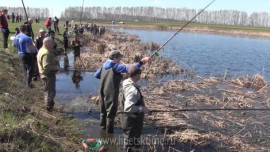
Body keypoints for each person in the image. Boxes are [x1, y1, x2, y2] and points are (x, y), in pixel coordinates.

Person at [94, 50, 151, 134]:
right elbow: (130, 68)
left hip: (102, 90)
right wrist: (142, 61)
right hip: (111, 92)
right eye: (119, 58)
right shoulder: (115, 66)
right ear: (115, 58)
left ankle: (102, 130)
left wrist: (106, 79)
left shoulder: (104, 65)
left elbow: (96, 75)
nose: (120, 60)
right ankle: (109, 134)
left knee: (103, 111)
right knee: (111, 113)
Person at [121, 66, 149, 152]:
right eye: (139, 74)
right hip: (132, 122)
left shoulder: (126, 82)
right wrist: (142, 109)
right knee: (131, 143)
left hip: (128, 119)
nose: (140, 76)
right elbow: (128, 108)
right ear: (137, 75)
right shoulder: (133, 90)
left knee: (129, 140)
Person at [37, 37, 63, 112]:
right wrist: (57, 68)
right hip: (47, 76)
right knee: (49, 92)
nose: (53, 44)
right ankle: (49, 109)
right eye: (52, 43)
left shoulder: (42, 50)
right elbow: (47, 67)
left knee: (49, 91)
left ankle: (49, 107)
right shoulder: (46, 53)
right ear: (47, 44)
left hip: (44, 74)